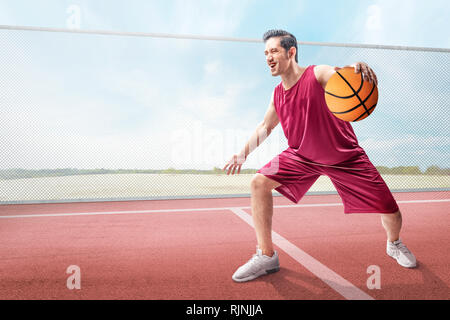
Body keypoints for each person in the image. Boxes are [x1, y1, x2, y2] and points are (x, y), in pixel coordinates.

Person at [223, 29, 417, 283]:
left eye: (274, 51)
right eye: (266, 53)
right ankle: (266, 256)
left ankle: (394, 243)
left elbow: (339, 75)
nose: (268, 57)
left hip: (345, 157)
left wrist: (354, 67)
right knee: (259, 182)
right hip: (301, 156)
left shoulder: (316, 73)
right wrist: (241, 154)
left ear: (291, 52)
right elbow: (265, 127)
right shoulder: (277, 94)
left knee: (391, 211)